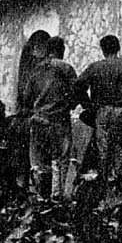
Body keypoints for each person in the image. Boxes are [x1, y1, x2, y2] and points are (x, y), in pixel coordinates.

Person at [75, 35, 122, 189]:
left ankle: (104, 187)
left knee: (104, 152)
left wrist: (88, 106)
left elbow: (78, 86)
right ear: (118, 48)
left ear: (103, 50)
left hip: (103, 112)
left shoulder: (95, 67)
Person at [22, 35, 78, 198]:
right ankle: (56, 197)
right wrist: (69, 105)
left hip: (38, 119)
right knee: (59, 160)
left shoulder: (36, 69)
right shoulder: (66, 68)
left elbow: (27, 97)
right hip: (58, 120)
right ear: (61, 50)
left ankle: (41, 196)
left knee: (39, 161)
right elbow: (75, 92)